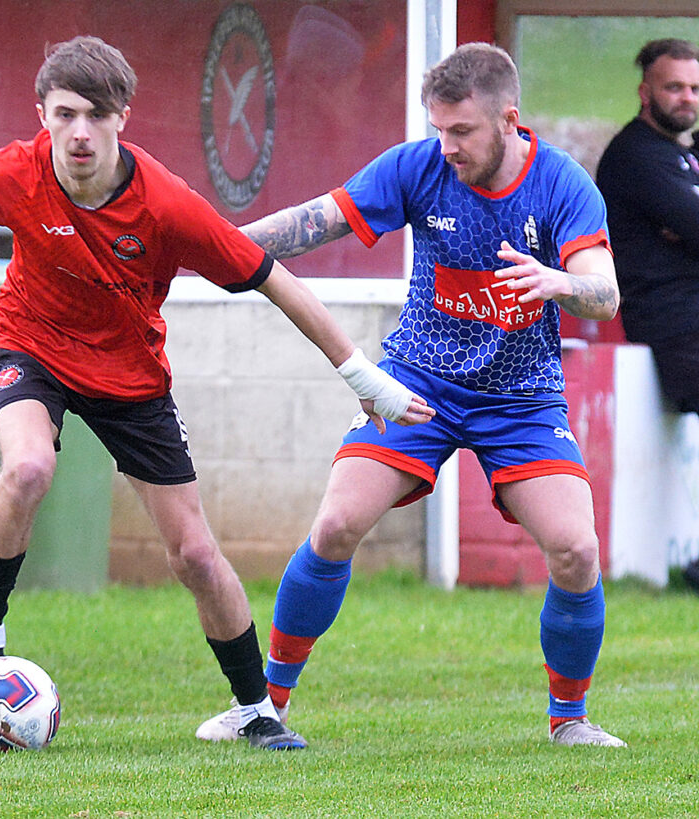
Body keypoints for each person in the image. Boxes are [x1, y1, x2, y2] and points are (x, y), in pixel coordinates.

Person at [0, 36, 434, 749]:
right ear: (43, 114)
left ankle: (256, 708)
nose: (79, 132)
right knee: (29, 467)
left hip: (131, 376)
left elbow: (273, 280)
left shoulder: (166, 204)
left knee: (192, 552)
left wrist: (362, 376)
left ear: (122, 117)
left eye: (96, 115)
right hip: (28, 345)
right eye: (64, 114)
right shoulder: (13, 173)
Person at [196, 42, 627, 748]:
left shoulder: (562, 184)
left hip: (521, 399)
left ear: (510, 120)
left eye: (462, 131)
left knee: (577, 549)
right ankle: (263, 705)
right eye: (438, 129)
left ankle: (569, 720)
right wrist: (219, 245)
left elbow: (605, 293)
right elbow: (319, 218)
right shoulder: (418, 167)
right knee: (335, 524)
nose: (446, 145)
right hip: (417, 383)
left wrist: (561, 283)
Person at [596, 39, 699, 414]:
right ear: (645, 92)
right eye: (673, 87)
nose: (686, 98)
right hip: (677, 331)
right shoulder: (637, 154)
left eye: (695, 89)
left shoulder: (679, 154)